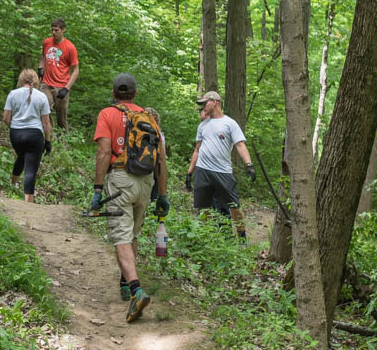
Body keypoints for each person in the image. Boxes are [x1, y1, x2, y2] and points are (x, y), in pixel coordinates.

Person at [92, 73, 168, 322]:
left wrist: (97, 189)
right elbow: (161, 161)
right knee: (132, 234)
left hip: (120, 179)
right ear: (135, 94)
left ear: (114, 94)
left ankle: (136, 289)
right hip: (145, 182)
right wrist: (163, 195)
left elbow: (104, 153)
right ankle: (125, 282)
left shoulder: (107, 114)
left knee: (121, 236)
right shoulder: (149, 118)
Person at [185, 90, 255, 240]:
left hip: (222, 171)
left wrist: (249, 164)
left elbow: (240, 145)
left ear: (214, 102)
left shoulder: (229, 123)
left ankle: (242, 238)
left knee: (233, 206)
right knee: (203, 207)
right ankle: (206, 238)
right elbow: (197, 149)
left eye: (205, 103)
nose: (203, 106)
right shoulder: (203, 125)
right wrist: (189, 172)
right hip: (203, 170)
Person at [3, 69, 53, 202]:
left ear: (21, 79)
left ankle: (12, 186)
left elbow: (6, 118)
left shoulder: (13, 94)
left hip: (16, 135)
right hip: (35, 135)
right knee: (30, 169)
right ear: (35, 81)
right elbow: (46, 122)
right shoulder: (42, 97)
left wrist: (15, 128)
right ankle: (28, 205)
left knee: (22, 157)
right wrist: (47, 141)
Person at [39, 17, 80, 129]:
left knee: (61, 120)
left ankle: (63, 143)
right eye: (52, 30)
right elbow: (43, 56)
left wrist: (66, 88)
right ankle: (49, 137)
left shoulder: (70, 47)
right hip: (46, 84)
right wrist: (40, 68)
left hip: (61, 86)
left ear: (63, 30)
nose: (54, 32)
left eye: (56, 30)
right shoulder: (47, 42)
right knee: (44, 110)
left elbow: (76, 70)